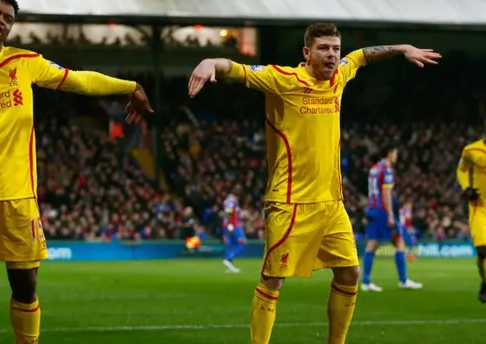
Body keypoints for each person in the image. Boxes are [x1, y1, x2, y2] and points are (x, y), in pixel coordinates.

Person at [0, 0, 152, 344]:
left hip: (20, 194)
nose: (0, 20)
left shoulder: (25, 62)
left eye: (8, 18)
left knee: (26, 285)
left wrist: (130, 85)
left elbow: (78, 80)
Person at [188, 23, 440, 344]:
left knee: (350, 273)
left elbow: (361, 57)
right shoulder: (284, 79)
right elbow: (236, 70)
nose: (332, 55)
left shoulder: (339, 77)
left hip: (332, 203)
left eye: (335, 48)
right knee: (273, 280)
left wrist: (402, 48)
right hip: (290, 201)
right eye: (324, 48)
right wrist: (211, 63)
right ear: (307, 53)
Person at [362, 146, 422, 292]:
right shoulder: (386, 169)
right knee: (399, 240)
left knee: (372, 244)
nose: (396, 156)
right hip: (382, 211)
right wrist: (389, 213)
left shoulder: (374, 168)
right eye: (395, 153)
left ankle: (366, 281)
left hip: (371, 209)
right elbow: (386, 192)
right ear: (389, 153)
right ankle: (403, 280)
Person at [456, 136, 486, 303]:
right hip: (479, 208)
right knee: (483, 250)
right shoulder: (471, 150)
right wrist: (467, 188)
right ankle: (485, 282)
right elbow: (461, 170)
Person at [222, 193, 247, 273]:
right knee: (242, 242)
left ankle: (229, 266)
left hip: (227, 225)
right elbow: (229, 212)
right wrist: (230, 225)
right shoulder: (232, 200)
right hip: (233, 225)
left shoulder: (227, 199)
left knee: (230, 244)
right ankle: (228, 259)